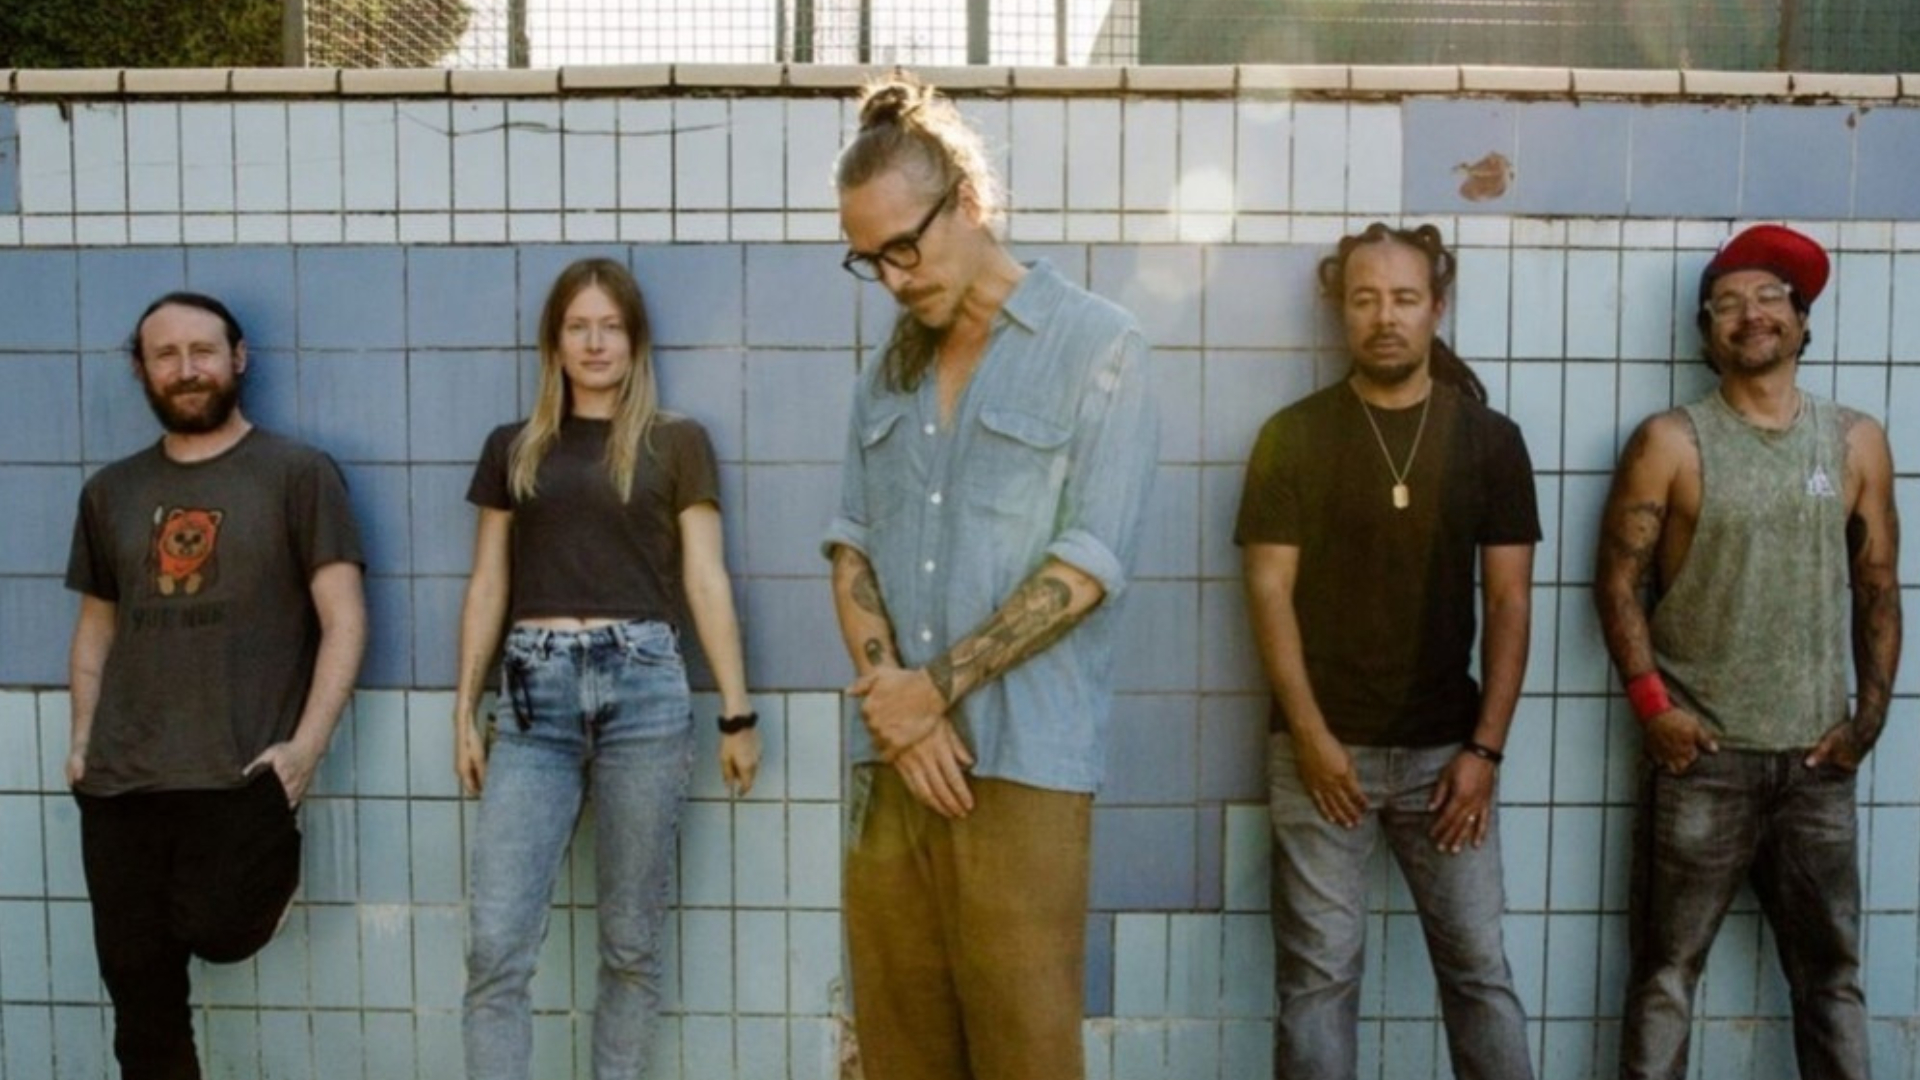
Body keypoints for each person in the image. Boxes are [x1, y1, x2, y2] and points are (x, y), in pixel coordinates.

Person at [821, 73, 1158, 1079]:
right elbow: (851, 546)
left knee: (1025, 1056)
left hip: (1021, 768)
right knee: (900, 1054)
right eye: (869, 260)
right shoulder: (886, 373)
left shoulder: (1098, 345)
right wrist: (894, 702)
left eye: (905, 247)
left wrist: (935, 692)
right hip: (893, 767)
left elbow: (1089, 563)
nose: (893, 280)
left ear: (968, 202)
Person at [1594, 224, 1901, 1080]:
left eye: (1770, 297)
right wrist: (1655, 709)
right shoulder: (1671, 441)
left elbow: (1878, 586)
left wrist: (1868, 721)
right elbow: (1616, 583)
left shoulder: (1855, 441)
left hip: (1817, 764)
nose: (1750, 314)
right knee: (1665, 977)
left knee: (1831, 981)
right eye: (1727, 303)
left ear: (1802, 322)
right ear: (1707, 334)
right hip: (1703, 761)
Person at [1235, 223, 1540, 1080]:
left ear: (1437, 308)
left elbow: (1511, 602)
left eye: (1405, 298)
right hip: (1319, 753)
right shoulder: (1293, 435)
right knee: (1318, 982)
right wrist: (1311, 738)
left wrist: (1485, 752)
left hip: (1450, 755)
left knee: (1479, 973)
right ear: (1341, 311)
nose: (1385, 317)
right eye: (1365, 299)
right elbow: (1267, 592)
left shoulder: (1490, 440)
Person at [454, 257, 760, 1080]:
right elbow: (487, 584)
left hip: (645, 692)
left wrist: (738, 713)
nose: (595, 344)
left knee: (630, 945)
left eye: (611, 327)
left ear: (635, 340)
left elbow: (706, 578)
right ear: (554, 342)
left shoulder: (676, 441)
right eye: (578, 327)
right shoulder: (514, 447)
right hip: (532, 702)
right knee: (495, 945)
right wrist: (464, 712)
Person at [65, 292, 367, 1080]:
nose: (186, 368)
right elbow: (97, 627)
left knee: (221, 928)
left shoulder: (298, 473)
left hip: (237, 772)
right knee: (141, 1002)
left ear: (238, 358)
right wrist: (81, 740)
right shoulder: (110, 492)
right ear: (142, 371)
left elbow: (343, 619)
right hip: (121, 780)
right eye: (165, 355)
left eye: (203, 350)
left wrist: (305, 751)